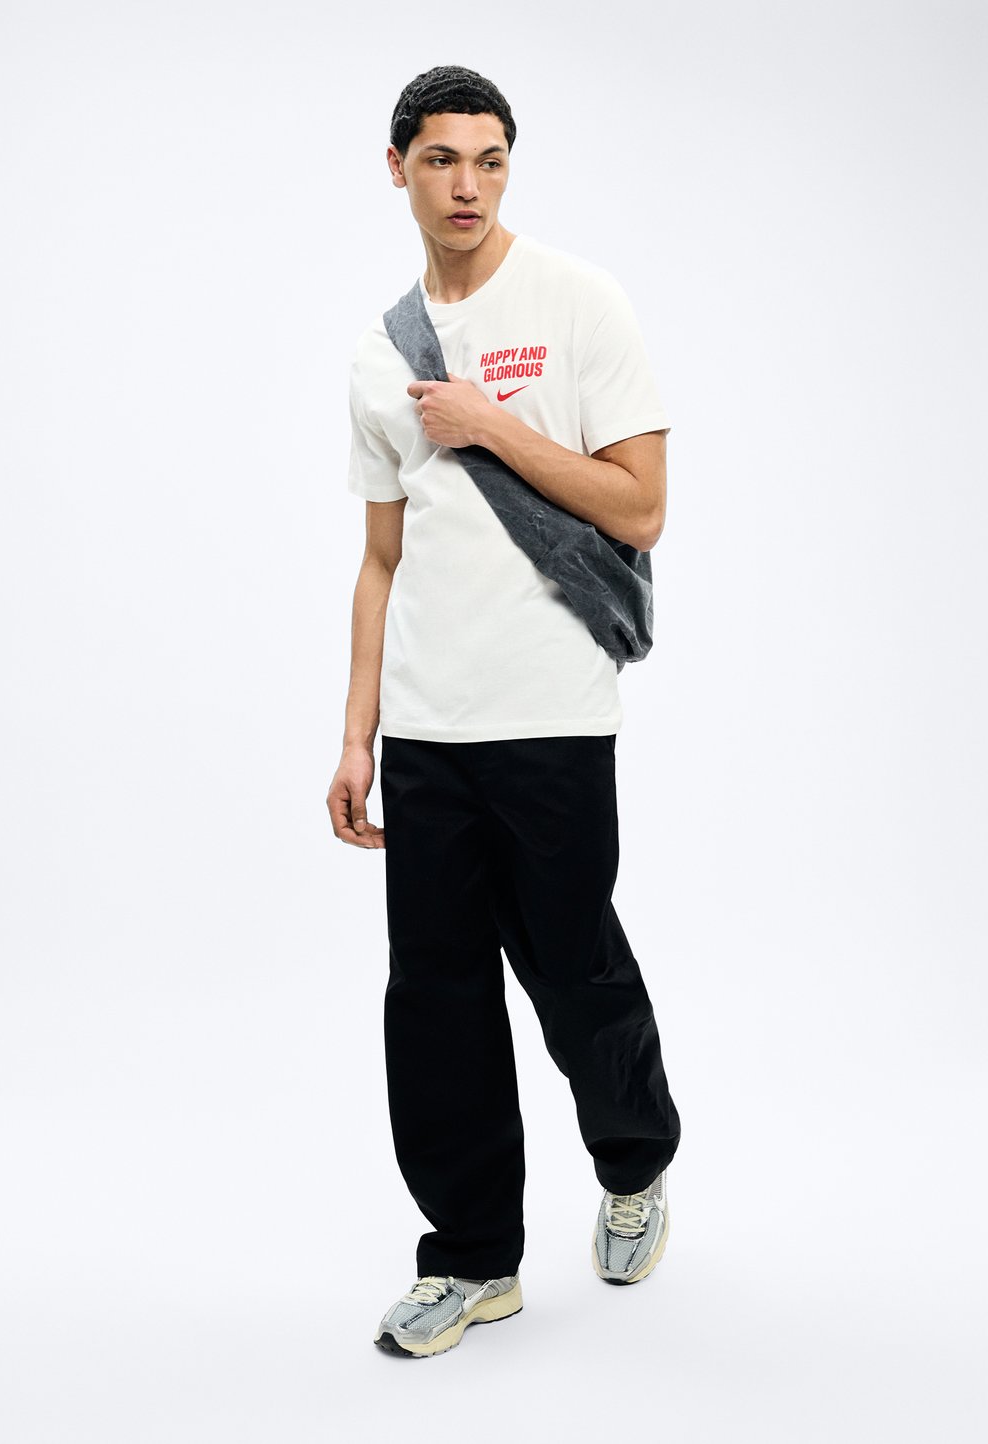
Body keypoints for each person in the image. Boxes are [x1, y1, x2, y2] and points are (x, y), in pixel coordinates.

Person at [327, 64, 682, 1359]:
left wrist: (487, 424)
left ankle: (635, 1160)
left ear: (508, 168)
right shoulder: (381, 352)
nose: (466, 185)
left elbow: (641, 506)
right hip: (427, 731)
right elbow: (381, 558)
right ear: (399, 169)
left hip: (553, 721)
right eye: (441, 160)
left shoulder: (580, 303)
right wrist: (358, 732)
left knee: (574, 970)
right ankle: (473, 1260)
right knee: (434, 1000)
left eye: (488, 159)